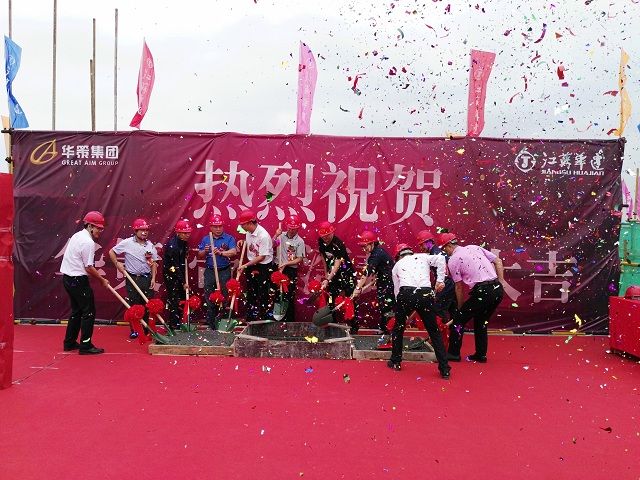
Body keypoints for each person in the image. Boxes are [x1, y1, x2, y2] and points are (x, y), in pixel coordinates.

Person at [437, 232, 505, 363]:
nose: (445, 252)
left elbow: (458, 288)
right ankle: (481, 354)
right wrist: (501, 284)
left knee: (458, 320)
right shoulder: (474, 247)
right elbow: (498, 262)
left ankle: (453, 353)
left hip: (483, 292)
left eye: (444, 249)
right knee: (481, 322)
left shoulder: (453, 260)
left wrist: (460, 310)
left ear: (449, 246)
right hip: (497, 290)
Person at [389, 243, 449, 378]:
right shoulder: (423, 257)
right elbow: (441, 259)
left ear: (398, 256)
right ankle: (445, 369)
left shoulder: (397, 265)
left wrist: (402, 308)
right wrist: (440, 280)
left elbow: (397, 291)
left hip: (405, 294)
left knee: (398, 328)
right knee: (434, 332)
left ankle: (395, 361)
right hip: (425, 294)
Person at [61, 211, 110, 355]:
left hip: (68, 279)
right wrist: (102, 279)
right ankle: (86, 345)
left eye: (101, 228)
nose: (100, 231)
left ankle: (69, 342)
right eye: (98, 228)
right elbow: (89, 267)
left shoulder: (77, 236)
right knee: (88, 312)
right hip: (78, 280)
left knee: (77, 311)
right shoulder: (88, 242)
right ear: (89, 226)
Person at [109, 218, 160, 339]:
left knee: (147, 304)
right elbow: (112, 252)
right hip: (132, 278)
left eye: (146, 230)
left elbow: (154, 263)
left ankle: (147, 328)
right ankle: (135, 329)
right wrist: (117, 264)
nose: (144, 232)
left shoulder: (150, 245)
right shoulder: (127, 243)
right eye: (142, 230)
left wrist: (153, 278)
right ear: (135, 231)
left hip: (146, 278)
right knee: (134, 304)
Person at [353, 231, 395, 345]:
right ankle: (383, 329)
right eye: (362, 247)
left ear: (372, 243)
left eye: (365, 246)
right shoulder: (376, 252)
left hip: (389, 284)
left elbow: (366, 273)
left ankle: (388, 334)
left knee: (386, 307)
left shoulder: (377, 254)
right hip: (383, 282)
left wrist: (357, 288)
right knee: (383, 306)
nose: (364, 249)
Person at [197, 213, 237, 330]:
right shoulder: (206, 239)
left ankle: (224, 323)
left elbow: (233, 251)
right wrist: (204, 251)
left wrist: (221, 253)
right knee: (209, 297)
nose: (218, 229)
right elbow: (199, 254)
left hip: (224, 271)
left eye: (220, 226)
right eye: (215, 227)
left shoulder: (229, 238)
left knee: (225, 296)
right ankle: (211, 324)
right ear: (211, 227)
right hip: (210, 271)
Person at [317, 221, 358, 333]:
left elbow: (337, 265)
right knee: (331, 299)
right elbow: (324, 258)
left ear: (332, 232)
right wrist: (326, 274)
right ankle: (333, 326)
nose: (325, 238)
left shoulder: (338, 245)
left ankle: (354, 326)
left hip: (346, 274)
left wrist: (327, 279)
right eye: (323, 236)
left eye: (327, 235)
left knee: (349, 300)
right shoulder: (321, 241)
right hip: (332, 276)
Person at [237, 210, 274, 321]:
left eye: (243, 224)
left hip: (263, 266)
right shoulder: (248, 232)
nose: (241, 226)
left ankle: (264, 318)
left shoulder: (263, 236)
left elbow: (262, 257)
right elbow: (252, 244)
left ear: (250, 223)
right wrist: (243, 241)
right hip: (251, 264)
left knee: (263, 293)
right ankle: (250, 318)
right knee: (251, 292)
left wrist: (245, 265)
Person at [415, 229, 457, 326]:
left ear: (429, 242)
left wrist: (437, 286)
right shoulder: (438, 252)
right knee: (453, 311)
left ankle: (440, 334)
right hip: (450, 284)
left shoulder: (436, 254)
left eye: (422, 245)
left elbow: (443, 273)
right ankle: (454, 334)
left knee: (439, 312)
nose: (421, 248)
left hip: (445, 285)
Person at [272, 214, 305, 322]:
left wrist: (286, 264)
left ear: (298, 228)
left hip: (290, 269)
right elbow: (271, 245)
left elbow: (300, 258)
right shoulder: (281, 236)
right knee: (277, 293)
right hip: (277, 267)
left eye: (293, 229)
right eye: (289, 228)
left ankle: (289, 321)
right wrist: (276, 235)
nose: (291, 230)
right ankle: (277, 320)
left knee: (288, 295)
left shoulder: (299, 241)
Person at [163, 219, 192, 329]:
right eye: (185, 233)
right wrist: (183, 282)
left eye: (188, 233)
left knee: (183, 297)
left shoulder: (184, 242)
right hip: (171, 272)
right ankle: (173, 324)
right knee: (174, 298)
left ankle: (180, 321)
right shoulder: (173, 246)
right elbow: (175, 266)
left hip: (179, 270)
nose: (187, 235)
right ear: (178, 233)